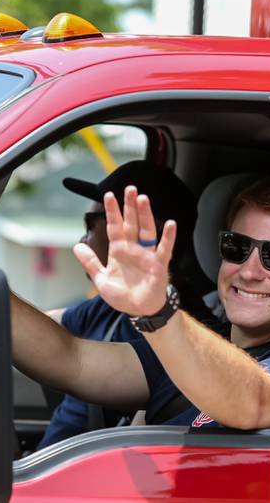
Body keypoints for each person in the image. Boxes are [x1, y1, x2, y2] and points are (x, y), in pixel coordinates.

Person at [12, 176, 270, 431]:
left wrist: (158, 313)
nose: (250, 272)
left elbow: (255, 400)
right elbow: (72, 361)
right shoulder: (197, 343)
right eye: (237, 248)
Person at [13, 161, 215, 448]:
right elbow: (38, 328)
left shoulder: (189, 339)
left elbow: (69, 358)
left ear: (141, 233)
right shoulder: (108, 308)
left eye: (92, 223)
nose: (82, 237)